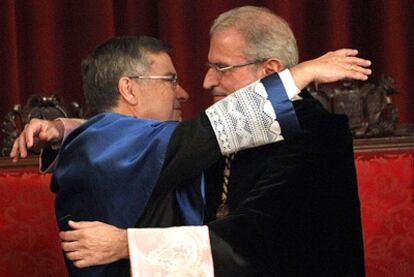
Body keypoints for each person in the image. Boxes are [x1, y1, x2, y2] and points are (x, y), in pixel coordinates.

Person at [11, 6, 371, 276]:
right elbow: (159, 144)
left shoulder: (314, 134)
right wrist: (65, 130)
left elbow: (257, 241)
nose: (203, 83)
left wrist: (126, 245)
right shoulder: (232, 126)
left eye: (222, 68)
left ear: (271, 72)